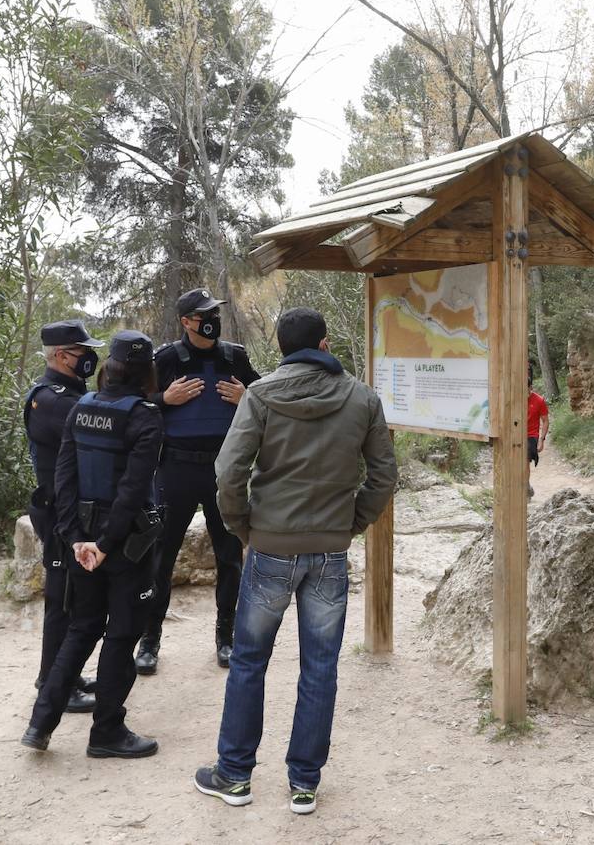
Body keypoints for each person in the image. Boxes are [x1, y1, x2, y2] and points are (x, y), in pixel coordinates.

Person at [193, 307, 398, 816]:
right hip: (329, 552)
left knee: (248, 662)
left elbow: (228, 471)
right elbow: (384, 475)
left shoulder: (261, 395)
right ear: (325, 344)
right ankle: (304, 785)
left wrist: (245, 528)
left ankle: (234, 775)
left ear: (282, 349)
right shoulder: (361, 398)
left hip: (270, 548)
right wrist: (351, 523)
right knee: (320, 668)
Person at [22, 330, 165, 759]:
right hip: (122, 545)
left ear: (110, 367)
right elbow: (132, 490)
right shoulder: (145, 417)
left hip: (81, 541)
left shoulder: (81, 408)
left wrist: (75, 539)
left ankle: (40, 722)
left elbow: (63, 478)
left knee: (82, 628)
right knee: (122, 634)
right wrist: (103, 543)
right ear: (146, 372)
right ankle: (106, 732)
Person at [135, 288, 261, 676]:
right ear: (187, 321)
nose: (213, 318)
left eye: (215, 312)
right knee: (161, 557)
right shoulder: (168, 358)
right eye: (204, 313)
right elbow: (133, 404)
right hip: (175, 470)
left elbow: (267, 397)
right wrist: (163, 400)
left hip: (224, 470)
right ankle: (150, 639)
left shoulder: (235, 356)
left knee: (228, 556)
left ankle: (227, 637)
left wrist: (248, 396)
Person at [22, 320, 104, 714]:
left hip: (68, 507)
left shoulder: (69, 393)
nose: (89, 357)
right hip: (59, 512)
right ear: (59, 355)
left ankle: (64, 674)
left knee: (71, 597)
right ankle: (52, 683)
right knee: (61, 599)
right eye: (81, 351)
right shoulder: (53, 400)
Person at [527, 374, 550, 498]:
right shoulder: (514, 398)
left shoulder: (539, 400)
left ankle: (525, 486)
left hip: (531, 435)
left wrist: (542, 439)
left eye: (525, 390)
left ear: (531, 387)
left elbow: (545, 420)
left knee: (525, 462)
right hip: (515, 433)